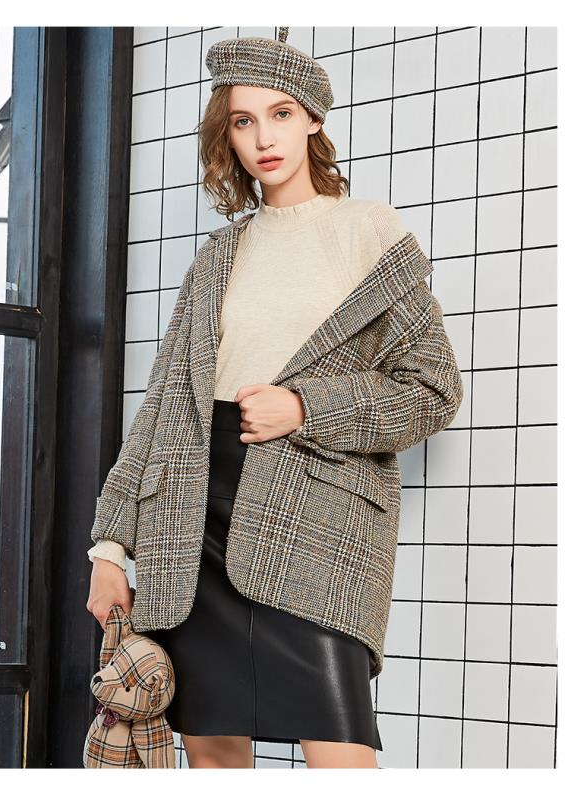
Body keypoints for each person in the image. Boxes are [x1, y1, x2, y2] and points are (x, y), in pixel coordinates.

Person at [86, 29, 463, 769]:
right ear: (226, 133)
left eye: (282, 114)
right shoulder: (220, 254)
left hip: (315, 525)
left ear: (314, 119)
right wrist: (108, 549)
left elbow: (432, 388)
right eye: (243, 120)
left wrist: (306, 408)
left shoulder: (367, 231)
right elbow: (164, 408)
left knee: (341, 757)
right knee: (214, 755)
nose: (264, 138)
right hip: (191, 525)